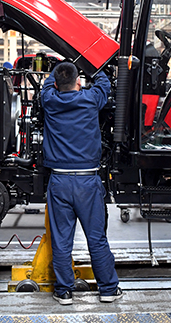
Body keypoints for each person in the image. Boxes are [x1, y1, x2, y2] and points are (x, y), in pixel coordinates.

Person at [41, 62, 122, 305]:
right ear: (79, 82)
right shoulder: (91, 99)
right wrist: (91, 67)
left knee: (62, 239)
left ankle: (64, 291)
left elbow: (47, 85)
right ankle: (108, 289)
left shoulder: (50, 100)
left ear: (56, 84)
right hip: (87, 181)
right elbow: (104, 83)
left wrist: (57, 71)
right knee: (96, 238)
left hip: (60, 180)